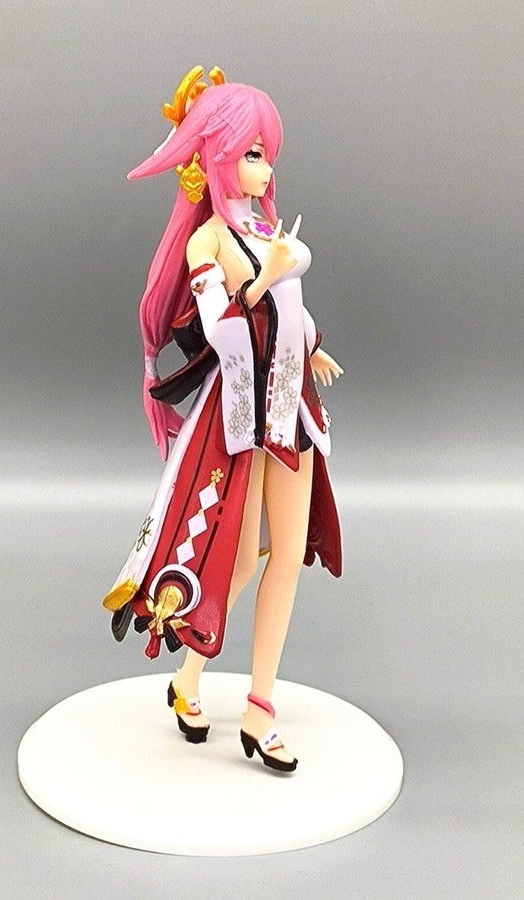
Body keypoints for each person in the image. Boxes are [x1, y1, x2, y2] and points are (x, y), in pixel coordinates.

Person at [103, 68, 342, 771]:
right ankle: (187, 678)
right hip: (243, 415)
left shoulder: (265, 227)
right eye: (252, 153)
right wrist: (265, 277)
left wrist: (312, 346)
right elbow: (224, 333)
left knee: (285, 557)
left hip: (292, 405)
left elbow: (291, 312)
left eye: (268, 154)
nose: (265, 169)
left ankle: (260, 710)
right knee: (235, 561)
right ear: (217, 154)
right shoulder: (207, 243)